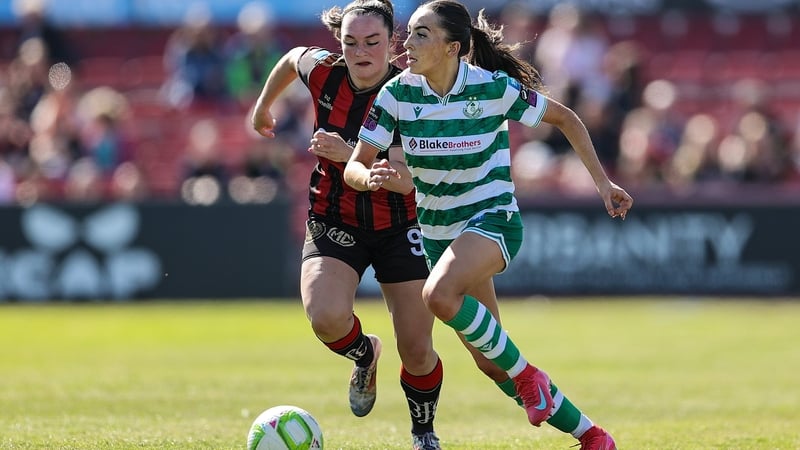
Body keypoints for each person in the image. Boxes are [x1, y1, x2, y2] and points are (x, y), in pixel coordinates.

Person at [344, 1, 633, 449]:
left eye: (422, 34)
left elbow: (567, 119)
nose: (407, 44)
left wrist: (603, 184)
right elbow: (355, 167)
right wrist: (370, 176)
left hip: (492, 219)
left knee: (438, 295)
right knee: (492, 364)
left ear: (452, 47)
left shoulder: (492, 88)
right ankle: (592, 436)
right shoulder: (397, 94)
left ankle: (529, 376)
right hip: (440, 236)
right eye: (411, 32)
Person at [250, 1, 444, 449]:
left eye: (372, 42)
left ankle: (423, 434)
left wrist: (349, 153)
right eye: (350, 42)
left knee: (416, 348)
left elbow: (408, 179)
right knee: (326, 318)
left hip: (402, 224)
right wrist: (263, 107)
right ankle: (364, 354)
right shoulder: (324, 72)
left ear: (391, 42)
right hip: (334, 216)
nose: (361, 52)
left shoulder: (412, 90)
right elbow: (289, 59)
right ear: (339, 44)